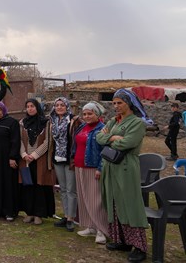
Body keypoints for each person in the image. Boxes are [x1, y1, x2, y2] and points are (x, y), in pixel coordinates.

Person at [96, 89, 149, 262]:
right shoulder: (113, 121)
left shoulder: (137, 123)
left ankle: (139, 247)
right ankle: (123, 241)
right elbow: (98, 138)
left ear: (129, 103)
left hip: (126, 168)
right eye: (114, 103)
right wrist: (113, 138)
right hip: (110, 167)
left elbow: (128, 143)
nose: (116, 106)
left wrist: (109, 138)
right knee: (114, 203)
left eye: (120, 102)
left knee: (129, 204)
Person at [71, 101, 108, 245]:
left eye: (90, 114)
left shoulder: (102, 129)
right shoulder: (82, 127)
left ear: (97, 114)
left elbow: (105, 151)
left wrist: (100, 167)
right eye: (84, 114)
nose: (86, 116)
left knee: (96, 200)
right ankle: (90, 226)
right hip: (79, 166)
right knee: (84, 198)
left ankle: (101, 230)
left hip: (92, 167)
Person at [18, 98, 55, 225]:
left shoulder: (46, 122)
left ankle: (39, 214)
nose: (30, 109)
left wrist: (34, 155)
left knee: (39, 186)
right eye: (28, 106)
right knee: (28, 186)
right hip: (25, 160)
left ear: (37, 107)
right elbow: (19, 140)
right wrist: (24, 154)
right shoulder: (22, 123)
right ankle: (29, 213)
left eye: (32, 106)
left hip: (40, 160)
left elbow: (48, 142)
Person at [50, 97, 81, 231]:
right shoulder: (52, 120)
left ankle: (71, 218)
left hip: (69, 158)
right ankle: (66, 214)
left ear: (67, 106)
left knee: (70, 189)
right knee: (62, 189)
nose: (59, 107)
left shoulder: (73, 120)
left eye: (62, 105)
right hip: (57, 158)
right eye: (57, 105)